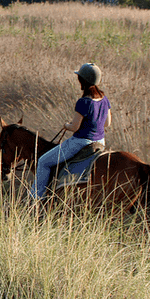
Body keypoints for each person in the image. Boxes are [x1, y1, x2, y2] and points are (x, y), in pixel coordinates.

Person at [30, 63, 111, 200]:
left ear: (83, 81)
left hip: (81, 142)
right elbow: (107, 123)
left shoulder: (84, 102)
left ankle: (36, 198)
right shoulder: (104, 99)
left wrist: (66, 125)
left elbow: (75, 127)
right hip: (100, 142)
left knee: (43, 161)